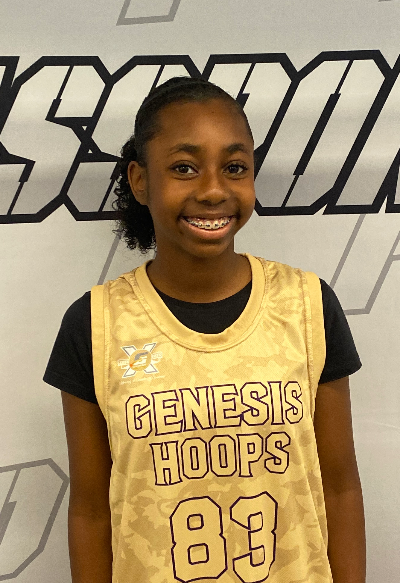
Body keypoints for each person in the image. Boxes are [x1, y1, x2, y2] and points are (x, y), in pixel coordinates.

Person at [44, 76, 366, 583]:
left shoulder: (307, 305)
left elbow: (340, 486)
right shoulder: (95, 324)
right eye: (184, 168)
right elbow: (90, 511)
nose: (214, 190)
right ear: (140, 180)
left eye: (234, 167)